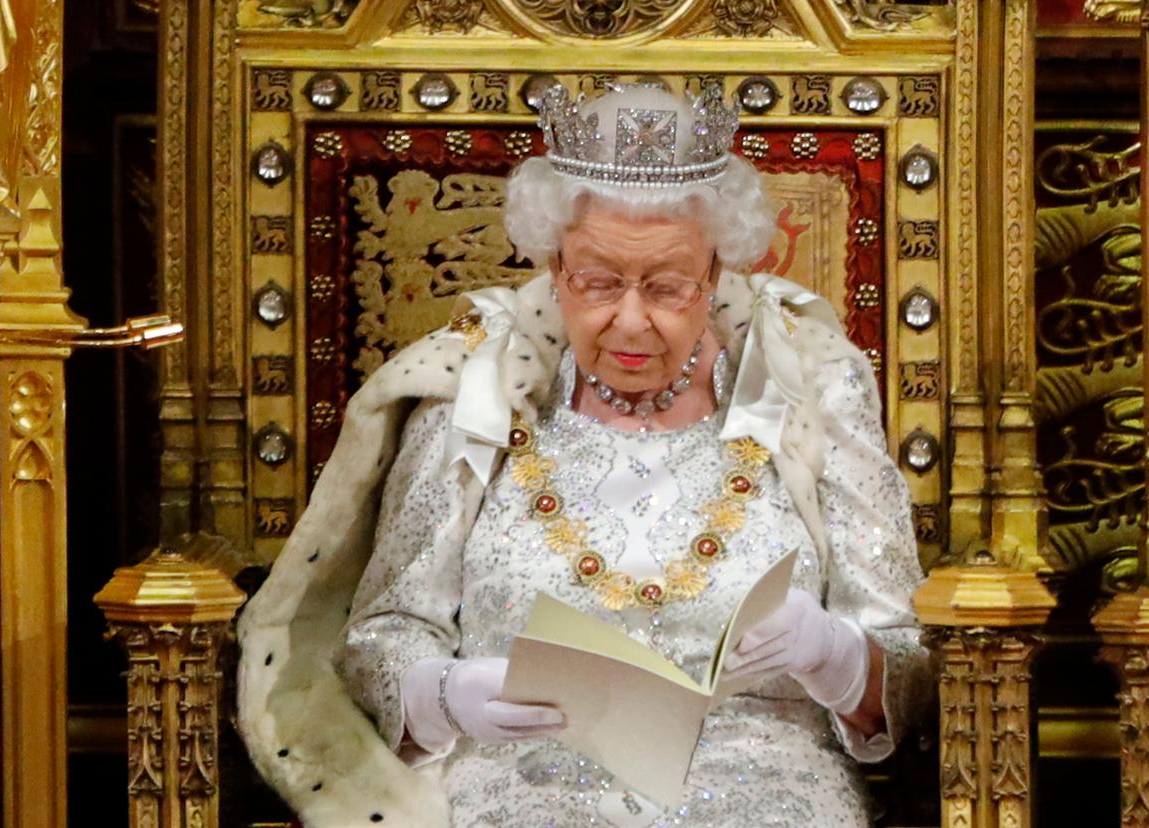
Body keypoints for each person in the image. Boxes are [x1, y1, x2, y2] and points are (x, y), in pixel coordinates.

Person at [238, 82, 930, 828]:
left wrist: (832, 654)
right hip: (522, 789)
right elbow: (386, 629)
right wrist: (443, 694)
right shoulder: (472, 393)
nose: (630, 322)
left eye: (667, 287)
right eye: (597, 282)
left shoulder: (812, 390)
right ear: (554, 265)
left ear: (718, 275)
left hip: (768, 789)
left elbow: (913, 666)